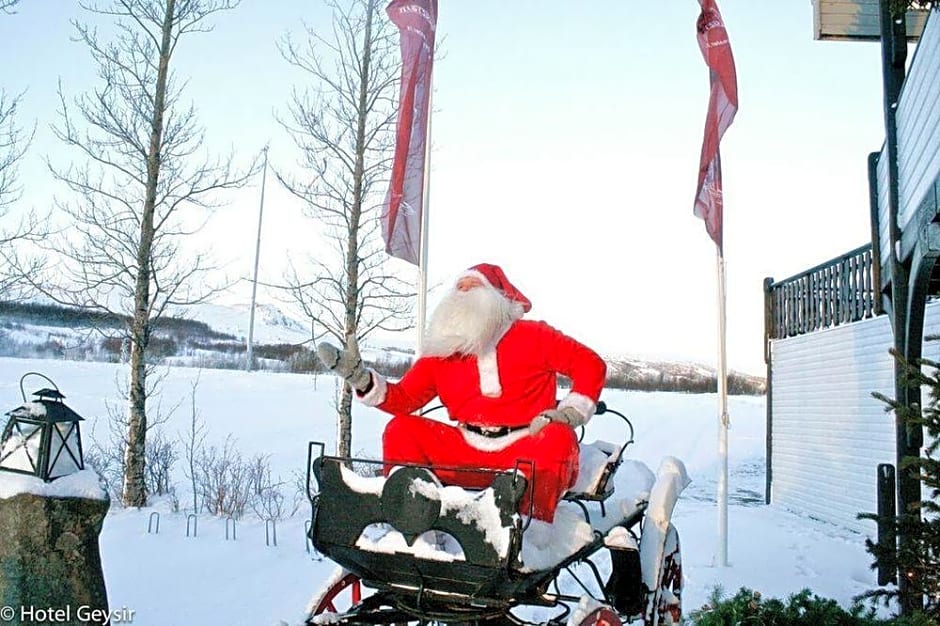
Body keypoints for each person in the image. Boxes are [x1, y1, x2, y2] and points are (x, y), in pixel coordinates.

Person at [316, 262, 607, 523]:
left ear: (496, 297)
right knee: (401, 429)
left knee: (557, 438)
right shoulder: (444, 352)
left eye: (473, 286)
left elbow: (590, 365)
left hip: (524, 449)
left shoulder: (534, 336)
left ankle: (529, 534)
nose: (463, 292)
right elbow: (405, 399)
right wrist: (362, 379)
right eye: (459, 287)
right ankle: (411, 520)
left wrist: (569, 411)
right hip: (464, 450)